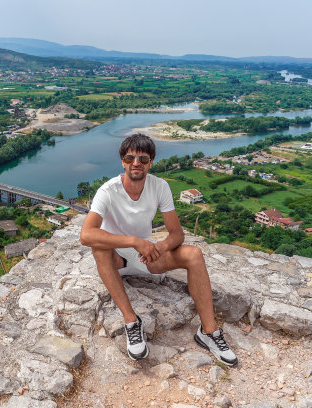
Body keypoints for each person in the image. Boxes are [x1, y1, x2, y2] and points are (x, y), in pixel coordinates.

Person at [80, 134, 237, 366]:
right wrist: (134, 241)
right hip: (116, 258)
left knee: (194, 254)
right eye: (130, 158)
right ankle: (132, 321)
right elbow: (86, 234)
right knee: (99, 247)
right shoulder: (108, 190)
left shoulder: (159, 186)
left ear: (150, 162)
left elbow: (177, 234)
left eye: (143, 159)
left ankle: (209, 332)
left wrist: (160, 247)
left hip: (146, 257)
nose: (136, 163)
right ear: (122, 162)